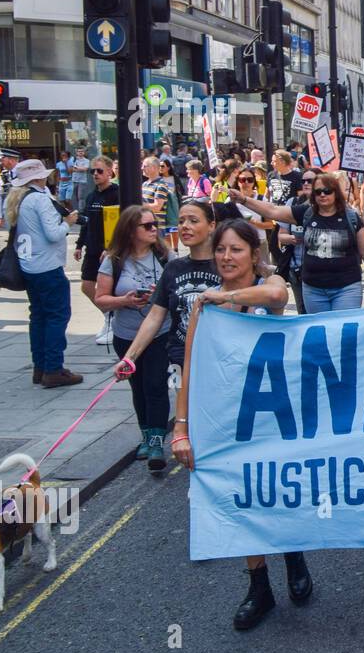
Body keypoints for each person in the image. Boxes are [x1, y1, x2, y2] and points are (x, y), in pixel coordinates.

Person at [170, 219, 305, 630]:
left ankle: (294, 555)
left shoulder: (267, 286)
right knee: (242, 499)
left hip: (273, 413)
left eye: (236, 250)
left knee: (279, 491)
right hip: (225, 417)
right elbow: (189, 368)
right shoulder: (205, 307)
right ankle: (258, 588)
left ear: (253, 254)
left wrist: (225, 294)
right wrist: (180, 429)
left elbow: (277, 293)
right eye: (222, 251)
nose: (227, 257)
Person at [231, 171, 364, 313]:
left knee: (342, 330)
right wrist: (243, 200)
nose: (322, 194)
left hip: (346, 289)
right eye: (318, 191)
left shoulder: (351, 218)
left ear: (336, 193)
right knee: (319, 332)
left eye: (327, 191)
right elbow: (273, 211)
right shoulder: (306, 213)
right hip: (313, 290)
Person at [114, 198, 222, 388]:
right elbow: (155, 316)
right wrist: (130, 358)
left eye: (193, 221)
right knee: (183, 412)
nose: (185, 227)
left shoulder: (226, 266)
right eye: (181, 221)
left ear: (211, 225)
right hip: (180, 358)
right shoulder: (173, 268)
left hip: (218, 357)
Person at [95, 206, 171, 470]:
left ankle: (157, 442)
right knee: (138, 387)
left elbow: (176, 293)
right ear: (130, 231)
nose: (154, 230)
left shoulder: (164, 256)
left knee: (155, 385)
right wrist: (124, 301)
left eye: (155, 225)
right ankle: (147, 436)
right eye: (147, 226)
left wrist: (158, 296)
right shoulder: (114, 260)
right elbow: (101, 300)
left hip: (160, 333)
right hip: (126, 335)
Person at [5, 159, 82, 388]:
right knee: (57, 316)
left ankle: (40, 367)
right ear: (39, 177)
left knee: (38, 317)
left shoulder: (18, 199)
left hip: (29, 266)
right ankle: (53, 368)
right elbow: (53, 234)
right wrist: (68, 222)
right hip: (47, 266)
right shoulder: (40, 199)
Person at [73, 155, 121, 345]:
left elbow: (120, 223)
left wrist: (111, 248)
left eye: (99, 171)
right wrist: (78, 245)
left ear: (110, 172)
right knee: (86, 285)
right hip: (92, 248)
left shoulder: (116, 193)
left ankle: (114, 321)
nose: (95, 174)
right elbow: (86, 221)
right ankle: (109, 315)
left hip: (109, 250)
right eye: (93, 171)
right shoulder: (92, 195)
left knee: (108, 288)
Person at [276, 168, 316, 311]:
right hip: (297, 268)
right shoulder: (293, 202)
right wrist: (292, 238)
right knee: (302, 311)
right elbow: (281, 235)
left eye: (310, 181)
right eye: (303, 181)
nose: (305, 184)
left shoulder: (326, 205)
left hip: (319, 270)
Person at [266, 149, 304, 267]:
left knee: (286, 244)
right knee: (272, 245)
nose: (272, 163)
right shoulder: (272, 175)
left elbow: (301, 196)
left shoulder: (296, 176)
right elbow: (268, 194)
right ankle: (282, 266)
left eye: (274, 161)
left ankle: (286, 267)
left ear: (282, 161)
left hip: (288, 215)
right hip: (273, 214)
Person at [0, 147, 20, 228]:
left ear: (11, 160)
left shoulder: (25, 172)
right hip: (9, 215)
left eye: (2, 160)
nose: (1, 163)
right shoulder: (3, 175)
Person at [69, 146, 91, 211]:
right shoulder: (73, 160)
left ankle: (81, 211)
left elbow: (85, 169)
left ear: (84, 152)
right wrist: (79, 168)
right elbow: (70, 169)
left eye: (82, 151)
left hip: (82, 180)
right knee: (73, 197)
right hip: (74, 180)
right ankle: (75, 210)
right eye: (79, 151)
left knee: (80, 197)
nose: (80, 152)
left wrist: (76, 168)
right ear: (76, 152)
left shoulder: (87, 160)